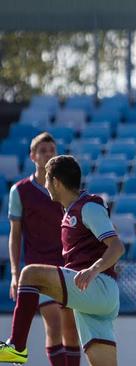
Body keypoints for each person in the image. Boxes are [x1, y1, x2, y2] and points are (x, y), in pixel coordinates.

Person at [0, 155, 124, 365]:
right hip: (91, 299)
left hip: (98, 287)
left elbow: (117, 246)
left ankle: (17, 347)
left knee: (29, 274)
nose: (45, 185)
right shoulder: (70, 211)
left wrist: (93, 269)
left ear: (56, 182)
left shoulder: (88, 207)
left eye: (47, 180)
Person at [7, 132, 81, 366]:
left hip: (67, 264)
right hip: (38, 266)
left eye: (52, 150)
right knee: (54, 324)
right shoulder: (20, 191)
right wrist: (14, 272)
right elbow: (15, 233)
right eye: (43, 150)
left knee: (71, 328)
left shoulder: (64, 188)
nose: (49, 154)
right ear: (32, 156)